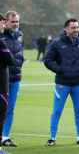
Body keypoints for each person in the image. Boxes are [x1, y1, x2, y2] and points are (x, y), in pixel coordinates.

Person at [44, 18, 79, 146]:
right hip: (62, 83)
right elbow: (47, 60)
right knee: (57, 111)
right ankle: (52, 138)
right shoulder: (57, 43)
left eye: (77, 27)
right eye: (73, 28)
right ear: (66, 29)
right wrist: (59, 69)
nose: (76, 30)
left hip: (78, 83)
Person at [1, 11, 24, 147]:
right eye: (13, 22)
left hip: (16, 77)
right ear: (6, 22)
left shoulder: (20, 35)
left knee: (10, 108)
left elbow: (20, 54)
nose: (16, 24)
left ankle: (5, 137)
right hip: (3, 77)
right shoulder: (1, 36)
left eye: (17, 21)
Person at [0, 13, 15, 154]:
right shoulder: (1, 41)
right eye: (2, 23)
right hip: (1, 85)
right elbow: (10, 60)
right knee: (1, 114)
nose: (3, 25)